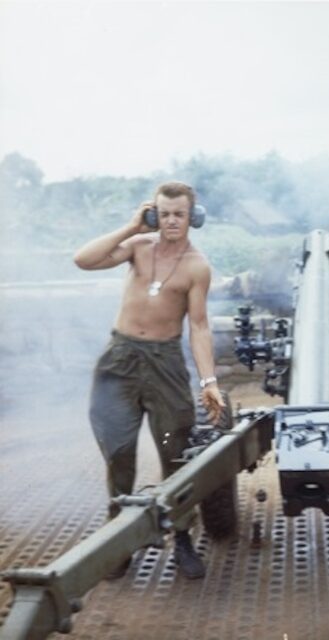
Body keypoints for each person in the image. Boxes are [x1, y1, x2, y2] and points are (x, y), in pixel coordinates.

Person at [74, 181, 225, 580]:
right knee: (119, 453)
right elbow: (83, 260)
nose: (172, 221)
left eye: (179, 214)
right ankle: (119, 542)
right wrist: (131, 227)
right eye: (165, 213)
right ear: (154, 213)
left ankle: (183, 540)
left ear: (193, 217)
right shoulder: (138, 247)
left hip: (165, 364)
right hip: (119, 361)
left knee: (174, 454)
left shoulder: (197, 266)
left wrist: (208, 380)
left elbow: (198, 326)